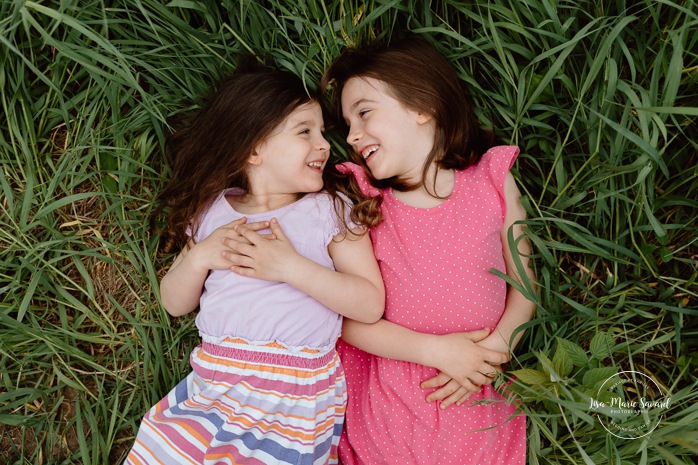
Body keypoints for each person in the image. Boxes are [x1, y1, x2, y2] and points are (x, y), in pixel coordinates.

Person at [125, 62, 384, 465]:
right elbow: (174, 303)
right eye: (305, 132)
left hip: (294, 398)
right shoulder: (213, 211)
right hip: (214, 387)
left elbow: (369, 304)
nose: (324, 144)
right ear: (253, 149)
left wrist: (291, 268)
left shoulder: (331, 211)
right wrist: (200, 256)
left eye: (321, 132)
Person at [320, 37, 537, 464]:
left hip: (477, 389)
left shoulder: (492, 179)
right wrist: (435, 351)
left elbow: (525, 286)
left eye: (363, 113)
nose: (353, 135)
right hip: (393, 397)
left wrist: (493, 351)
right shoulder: (360, 200)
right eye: (347, 124)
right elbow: (343, 322)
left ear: (424, 106)